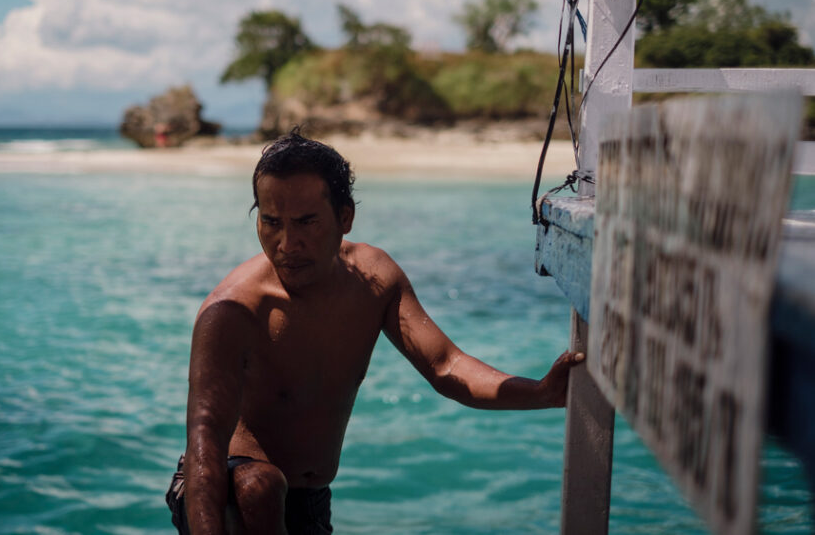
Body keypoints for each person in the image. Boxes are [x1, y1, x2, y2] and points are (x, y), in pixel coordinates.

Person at [166, 129, 584, 534]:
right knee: (259, 487)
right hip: (220, 492)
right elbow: (205, 443)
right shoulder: (232, 310)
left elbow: (446, 366)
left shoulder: (375, 280)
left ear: (345, 217)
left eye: (306, 222)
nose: (287, 243)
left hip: (308, 500)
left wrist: (541, 393)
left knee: (269, 491)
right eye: (271, 222)